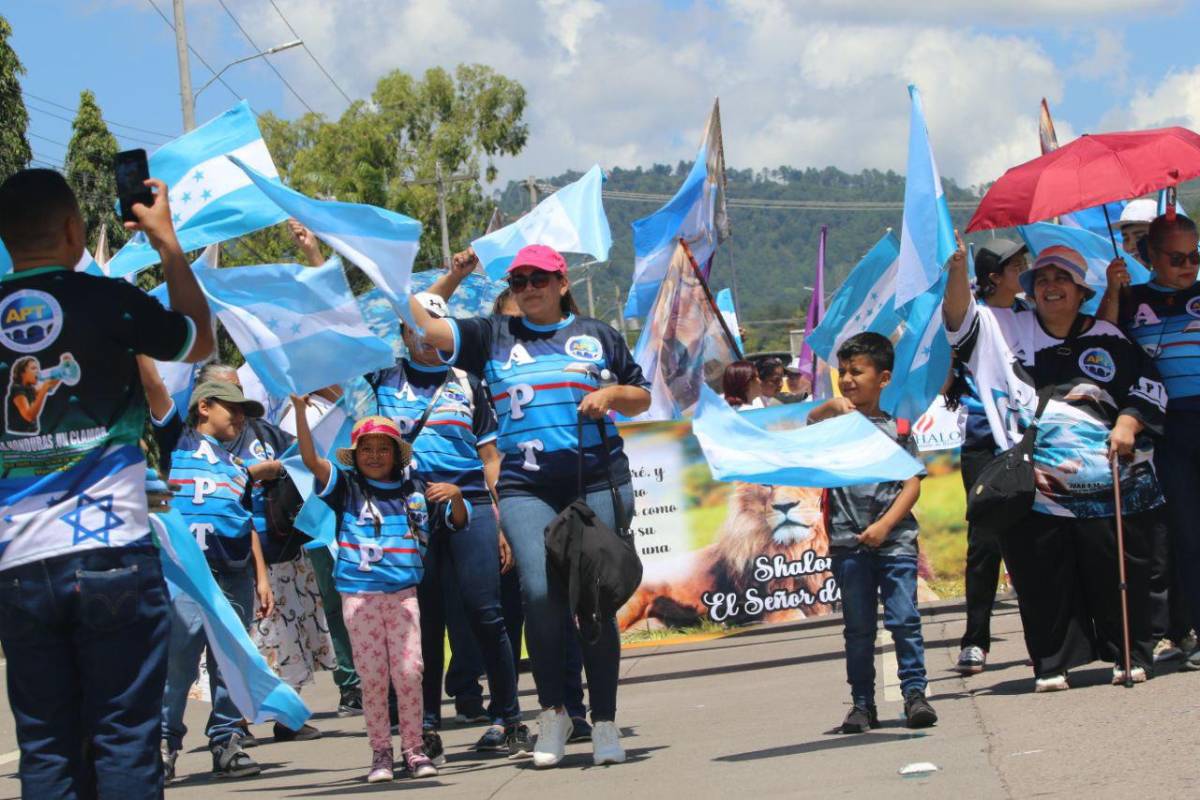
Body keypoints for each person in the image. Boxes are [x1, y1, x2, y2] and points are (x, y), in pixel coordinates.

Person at [0, 168, 212, 797]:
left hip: (17, 562)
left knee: (46, 748)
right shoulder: (108, 299)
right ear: (72, 228)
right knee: (123, 739)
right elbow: (197, 341)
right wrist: (167, 242)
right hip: (110, 553)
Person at [406, 243, 651, 768]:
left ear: (562, 283)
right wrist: (453, 276)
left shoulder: (596, 335)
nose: (528, 287)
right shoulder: (490, 337)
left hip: (595, 478)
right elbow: (423, 319)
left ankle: (604, 721)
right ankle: (553, 712)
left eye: (539, 278)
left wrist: (611, 397)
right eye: (518, 280)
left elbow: (641, 394)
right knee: (540, 594)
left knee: (594, 602)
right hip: (526, 485)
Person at [944, 237, 1165, 691]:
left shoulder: (1108, 338)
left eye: (1062, 278)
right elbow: (957, 318)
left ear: (1082, 289)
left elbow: (1147, 387)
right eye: (1041, 279)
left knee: (1112, 571)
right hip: (1034, 486)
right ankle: (1052, 663)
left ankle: (1128, 653)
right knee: (1041, 574)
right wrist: (957, 270)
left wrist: (1127, 423)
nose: (1050, 286)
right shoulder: (1003, 328)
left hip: (1105, 485)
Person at [367, 291, 527, 758]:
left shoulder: (469, 382)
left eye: (434, 327)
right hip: (407, 511)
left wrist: (499, 521)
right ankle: (426, 728)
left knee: (485, 612)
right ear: (402, 333)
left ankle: (508, 718)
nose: (425, 338)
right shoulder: (381, 380)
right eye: (416, 328)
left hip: (470, 504)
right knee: (425, 622)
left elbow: (490, 458)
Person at [294, 407, 467, 783]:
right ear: (354, 456)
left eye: (383, 449)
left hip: (404, 594)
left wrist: (455, 497)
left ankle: (415, 750)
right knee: (372, 678)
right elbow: (310, 460)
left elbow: (456, 522)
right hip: (360, 596)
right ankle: (380, 754)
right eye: (366, 449)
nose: (374, 456)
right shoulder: (346, 488)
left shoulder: (416, 490)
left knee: (409, 673)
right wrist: (298, 410)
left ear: (396, 454)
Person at [142, 372, 275, 780]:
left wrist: (261, 576)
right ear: (204, 407)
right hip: (185, 574)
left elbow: (245, 522)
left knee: (230, 663)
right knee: (177, 663)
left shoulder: (238, 466)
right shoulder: (175, 442)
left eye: (243, 411)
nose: (240, 417)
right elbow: (156, 391)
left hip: (233, 574)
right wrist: (141, 346)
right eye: (232, 408)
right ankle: (164, 744)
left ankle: (227, 740)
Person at [191, 363, 332, 743]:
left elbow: (305, 458)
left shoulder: (263, 430)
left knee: (291, 639)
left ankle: (287, 715)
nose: (238, 405)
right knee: (244, 642)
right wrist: (252, 474)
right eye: (228, 395)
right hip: (230, 553)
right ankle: (232, 720)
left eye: (240, 392)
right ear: (204, 399)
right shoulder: (193, 441)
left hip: (282, 548)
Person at [808, 332, 937, 733]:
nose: (847, 379)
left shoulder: (898, 429)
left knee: (904, 621)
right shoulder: (834, 426)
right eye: (843, 372)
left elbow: (912, 484)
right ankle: (862, 704)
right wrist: (824, 411)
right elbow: (804, 432)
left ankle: (915, 694)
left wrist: (885, 525)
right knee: (859, 629)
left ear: (883, 379)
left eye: (857, 372)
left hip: (895, 542)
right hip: (848, 545)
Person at [1099, 212, 1200, 667]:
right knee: (1186, 533)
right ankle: (1187, 629)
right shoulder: (1132, 298)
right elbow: (1100, 342)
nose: (1188, 266)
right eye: (1177, 257)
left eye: (1195, 255)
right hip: (1168, 426)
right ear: (1148, 256)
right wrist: (1113, 289)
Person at [944, 238, 1029, 675]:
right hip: (984, 444)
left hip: (1031, 441)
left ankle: (1049, 633)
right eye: (1018, 265)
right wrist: (957, 268)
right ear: (995, 274)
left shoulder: (1033, 314)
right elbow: (955, 313)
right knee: (985, 543)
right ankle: (975, 639)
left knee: (1038, 538)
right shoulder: (976, 318)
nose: (1027, 270)